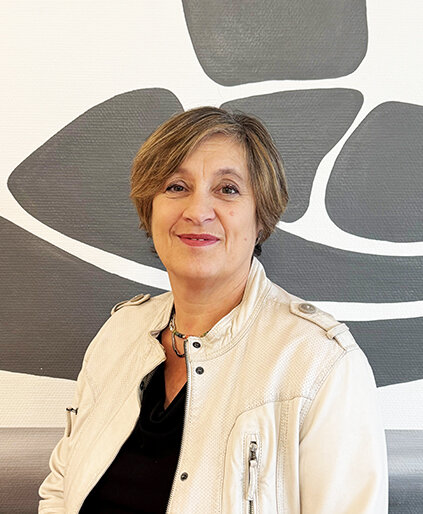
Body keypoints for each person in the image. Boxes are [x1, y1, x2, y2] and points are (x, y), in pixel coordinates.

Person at [39, 106, 388, 513]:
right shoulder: (118, 334)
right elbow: (60, 489)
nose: (197, 211)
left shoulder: (321, 363)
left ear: (261, 217)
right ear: (149, 209)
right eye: (176, 187)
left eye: (227, 189)